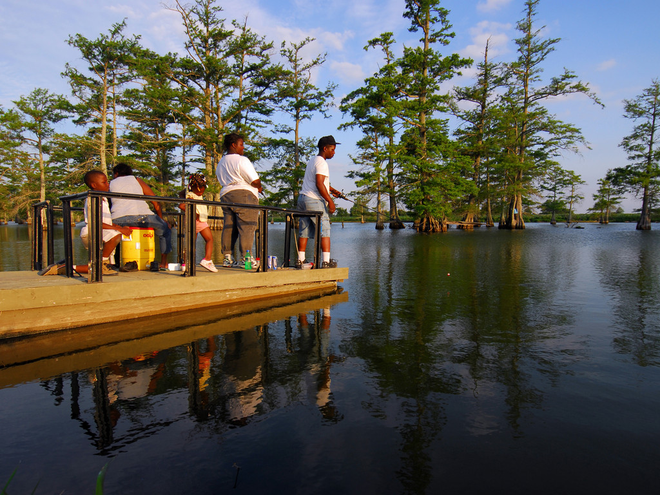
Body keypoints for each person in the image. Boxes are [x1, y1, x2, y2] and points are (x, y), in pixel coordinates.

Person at [39, 170, 133, 276]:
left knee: (101, 267)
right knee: (116, 236)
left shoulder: (103, 199)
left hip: (103, 232)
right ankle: (102, 264)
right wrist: (120, 230)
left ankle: (64, 268)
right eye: (104, 182)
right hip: (93, 232)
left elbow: (107, 221)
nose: (108, 184)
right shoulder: (92, 198)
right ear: (94, 185)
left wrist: (120, 227)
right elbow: (96, 222)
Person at [109, 162, 172, 269]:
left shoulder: (110, 183)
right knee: (165, 230)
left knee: (115, 234)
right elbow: (155, 201)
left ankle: (116, 263)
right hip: (143, 217)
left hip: (119, 220)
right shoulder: (136, 179)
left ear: (116, 173)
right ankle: (163, 263)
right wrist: (161, 220)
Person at [215, 132, 263, 268]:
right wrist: (259, 187)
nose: (243, 148)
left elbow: (221, 179)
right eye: (241, 145)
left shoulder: (221, 162)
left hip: (226, 194)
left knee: (229, 227)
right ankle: (246, 259)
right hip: (244, 195)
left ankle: (227, 258)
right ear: (233, 145)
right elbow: (254, 180)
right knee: (247, 227)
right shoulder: (242, 160)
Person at [297, 135, 342, 268]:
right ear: (324, 148)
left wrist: (332, 190)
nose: (334, 152)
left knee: (304, 230)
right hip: (314, 200)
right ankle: (326, 262)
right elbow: (319, 184)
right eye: (332, 149)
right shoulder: (322, 163)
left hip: (303, 199)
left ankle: (301, 260)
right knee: (325, 230)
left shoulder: (313, 160)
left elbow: (318, 183)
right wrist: (330, 201)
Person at [178, 173, 218, 272]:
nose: (200, 194)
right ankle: (207, 260)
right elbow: (181, 206)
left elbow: (181, 193)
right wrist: (194, 212)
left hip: (191, 220)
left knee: (191, 242)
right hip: (198, 220)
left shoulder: (188, 191)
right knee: (209, 239)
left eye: (202, 193)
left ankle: (185, 263)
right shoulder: (191, 197)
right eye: (198, 192)